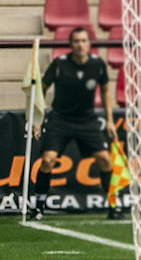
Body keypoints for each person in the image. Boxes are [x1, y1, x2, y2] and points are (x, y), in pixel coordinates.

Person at [30, 27, 121, 220]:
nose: (80, 44)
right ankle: (38, 206)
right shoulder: (59, 64)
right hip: (60, 119)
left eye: (83, 41)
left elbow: (105, 90)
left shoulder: (97, 65)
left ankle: (114, 206)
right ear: (71, 45)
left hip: (87, 120)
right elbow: (41, 88)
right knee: (47, 160)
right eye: (76, 41)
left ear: (89, 44)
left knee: (105, 160)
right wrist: (38, 118)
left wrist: (110, 121)